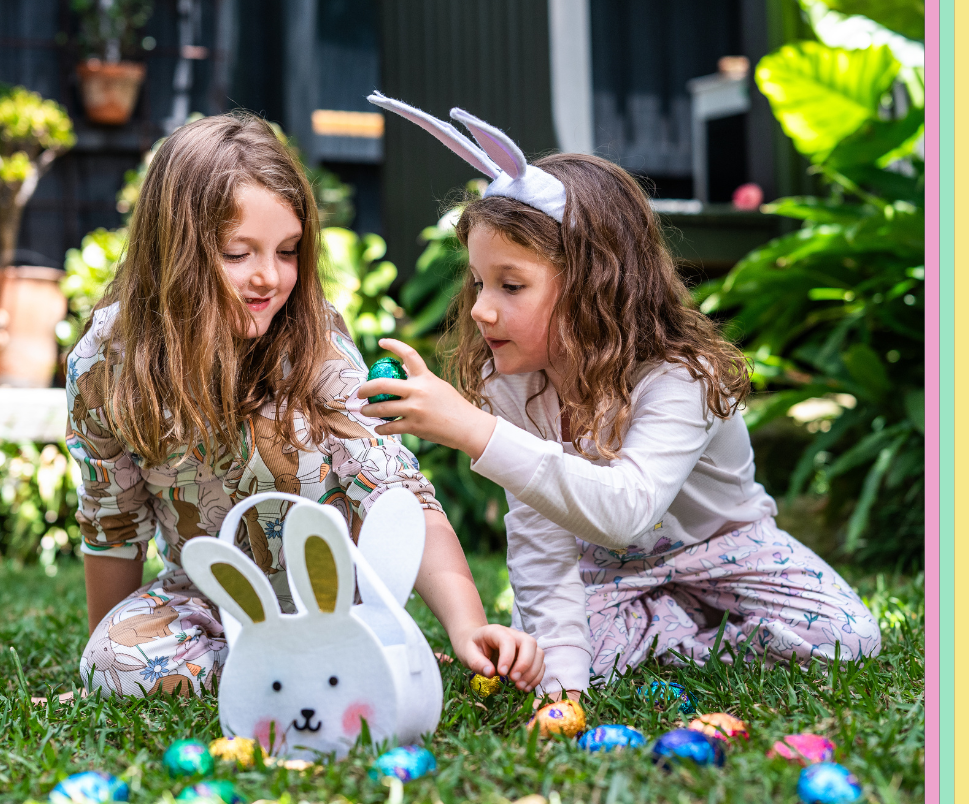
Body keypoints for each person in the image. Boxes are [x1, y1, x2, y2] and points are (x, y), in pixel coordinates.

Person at [353, 95, 881, 699]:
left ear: (594, 284)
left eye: (511, 285)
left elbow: (628, 509)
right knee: (541, 650)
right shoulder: (516, 386)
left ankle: (673, 629)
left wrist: (472, 428)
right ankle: (675, 629)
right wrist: (563, 692)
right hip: (608, 569)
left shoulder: (685, 376)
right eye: (478, 282)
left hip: (727, 549)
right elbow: (541, 545)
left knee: (848, 637)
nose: (480, 308)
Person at [68, 113, 543, 699]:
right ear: (175, 251)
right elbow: (112, 526)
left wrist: (469, 626)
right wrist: (105, 651)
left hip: (329, 598)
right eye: (238, 253)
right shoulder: (106, 361)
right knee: (115, 666)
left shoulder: (312, 343)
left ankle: (314, 657)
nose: (269, 277)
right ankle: (310, 667)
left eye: (288, 251)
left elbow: (396, 492)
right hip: (215, 601)